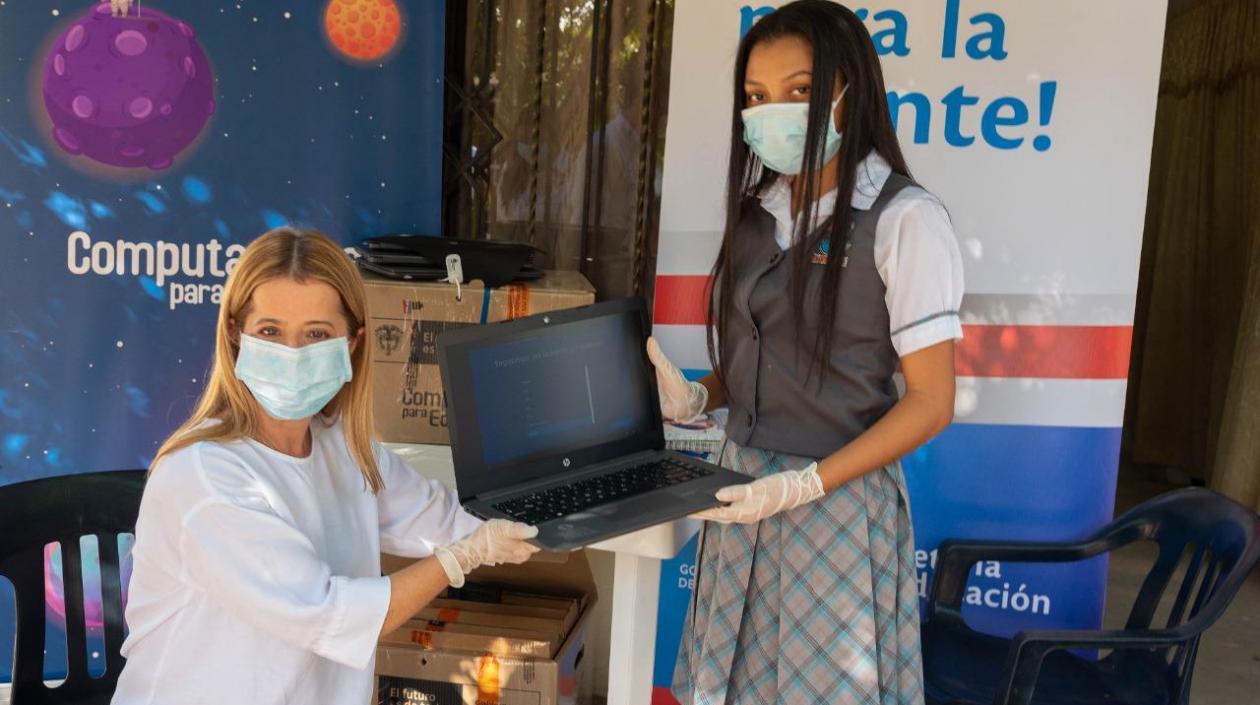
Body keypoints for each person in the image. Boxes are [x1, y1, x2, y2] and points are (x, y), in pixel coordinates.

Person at [647, 3, 964, 703]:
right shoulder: (758, 209)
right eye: (757, 97)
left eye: (800, 90)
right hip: (742, 488)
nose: (775, 113)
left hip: (837, 504)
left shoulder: (906, 221)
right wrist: (701, 394)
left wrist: (805, 485)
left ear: (851, 89)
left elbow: (931, 401)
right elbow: (762, 358)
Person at [111, 228, 539, 704]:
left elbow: (448, 520)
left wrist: (554, 509)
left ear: (352, 342)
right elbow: (330, 614)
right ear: (235, 335)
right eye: (270, 332)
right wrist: (462, 557)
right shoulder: (204, 477)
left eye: (316, 334)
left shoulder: (342, 447)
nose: (292, 354)